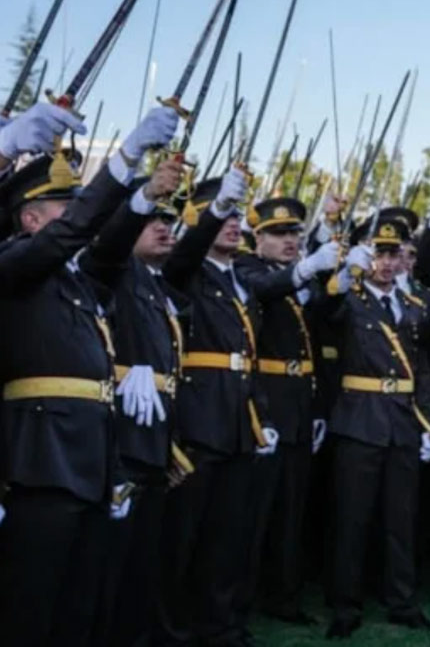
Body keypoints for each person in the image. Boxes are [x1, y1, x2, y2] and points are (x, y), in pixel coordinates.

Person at [0, 104, 180, 645]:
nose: (78, 217)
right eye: (64, 207)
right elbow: (74, 233)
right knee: (31, 606)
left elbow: (111, 244)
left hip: (92, 458)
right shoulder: (12, 264)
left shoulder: (77, 281)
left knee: (78, 604)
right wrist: (124, 158)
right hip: (42, 458)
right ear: (30, 220)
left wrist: (142, 193)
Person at [154, 166, 280, 646]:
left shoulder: (239, 279)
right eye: (220, 215)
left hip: (237, 420)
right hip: (199, 418)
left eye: (234, 215)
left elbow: (249, 357)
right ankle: (173, 630)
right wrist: (213, 212)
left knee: (227, 536)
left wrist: (260, 416)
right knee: (184, 536)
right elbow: (184, 254)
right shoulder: (186, 268)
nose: (232, 223)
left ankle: (219, 624)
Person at [323, 217, 430, 638]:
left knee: (401, 518)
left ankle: (402, 601)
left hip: (402, 422)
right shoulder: (349, 300)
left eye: (394, 254)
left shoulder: (412, 306)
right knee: (352, 519)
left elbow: (421, 368)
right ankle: (345, 604)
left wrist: (428, 423)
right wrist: (342, 274)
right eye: (379, 254)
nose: (388, 263)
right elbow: (322, 312)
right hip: (360, 419)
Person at [90, 173, 194, 647]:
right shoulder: (117, 270)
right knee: (113, 560)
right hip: (122, 435)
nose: (163, 227)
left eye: (168, 220)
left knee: (142, 556)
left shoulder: (155, 284)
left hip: (154, 433)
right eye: (151, 219)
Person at [234, 197, 339, 627]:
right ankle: (240, 602)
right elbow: (265, 290)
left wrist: (335, 277)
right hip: (267, 402)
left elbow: (322, 329)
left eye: (294, 233)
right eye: (278, 234)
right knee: (255, 513)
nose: (289, 240)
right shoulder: (247, 268)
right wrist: (308, 268)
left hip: (299, 402)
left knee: (291, 511)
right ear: (257, 238)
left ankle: (284, 595)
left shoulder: (299, 277)